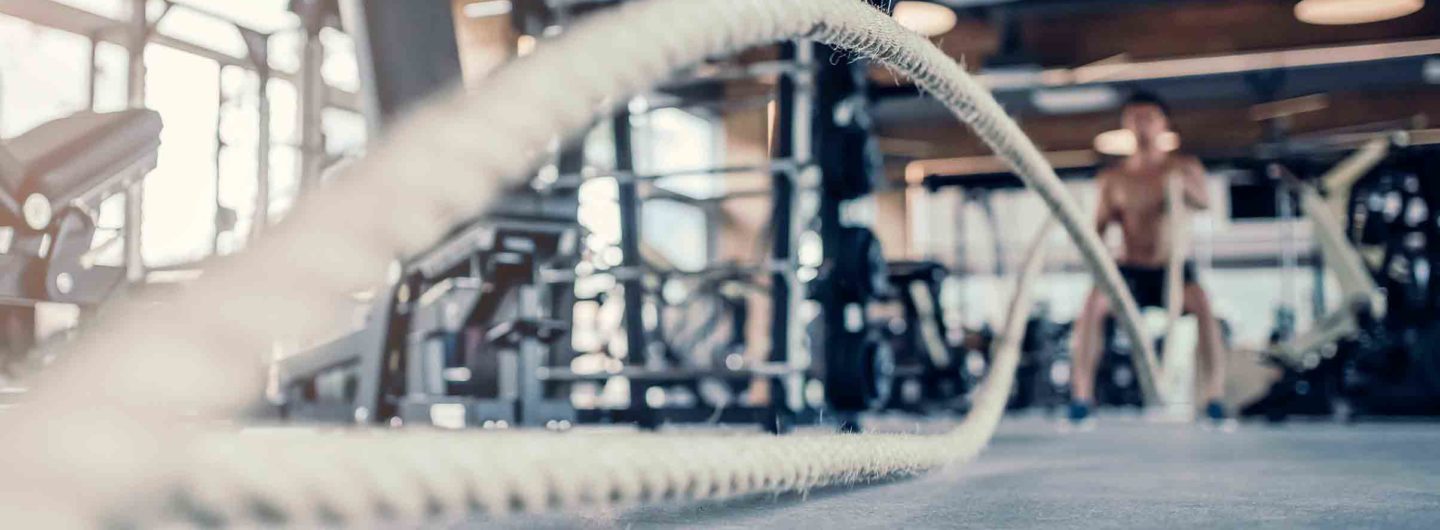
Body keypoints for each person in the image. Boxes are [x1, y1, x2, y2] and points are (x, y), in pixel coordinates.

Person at [1069, 91, 1227, 425]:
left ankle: (1214, 396)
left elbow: (1204, 204)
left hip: (1172, 268)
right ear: (1126, 125)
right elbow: (1097, 229)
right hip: (1130, 270)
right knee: (1092, 306)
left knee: (1203, 305)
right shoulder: (1114, 179)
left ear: (1163, 124)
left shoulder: (1183, 167)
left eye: (1149, 118)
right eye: (1134, 119)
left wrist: (1181, 187)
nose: (1142, 126)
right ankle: (1081, 396)